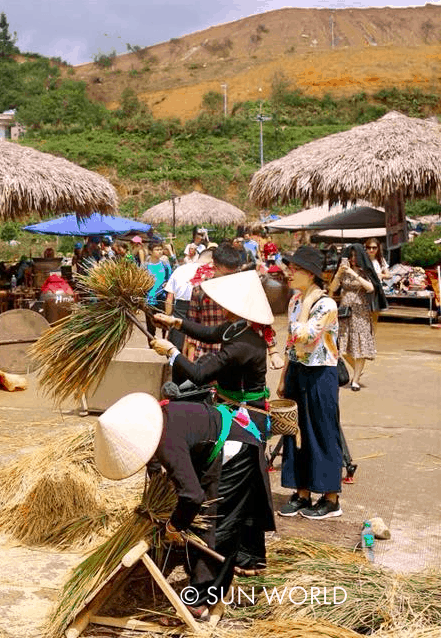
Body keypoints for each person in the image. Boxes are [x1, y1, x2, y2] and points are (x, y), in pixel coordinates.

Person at [150, 270, 277, 575]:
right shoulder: (237, 329)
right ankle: (242, 557)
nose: (221, 306)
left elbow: (199, 375)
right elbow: (208, 334)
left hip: (247, 416)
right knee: (240, 489)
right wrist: (175, 323)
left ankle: (241, 559)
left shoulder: (245, 343)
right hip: (229, 410)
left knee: (239, 489)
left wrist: (172, 353)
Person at [94, 393, 251, 619]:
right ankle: (195, 572)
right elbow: (155, 464)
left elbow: (193, 496)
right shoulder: (155, 422)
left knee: (212, 524)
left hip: (235, 450)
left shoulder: (168, 442)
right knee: (198, 516)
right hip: (213, 443)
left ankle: (201, 598)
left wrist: (174, 526)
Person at [277, 246, 343, 520]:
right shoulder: (295, 301)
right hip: (297, 371)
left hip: (321, 373)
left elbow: (305, 337)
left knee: (322, 430)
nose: (289, 273)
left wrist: (305, 307)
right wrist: (283, 376)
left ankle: (330, 498)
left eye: (295, 269)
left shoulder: (326, 305)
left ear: (310, 274)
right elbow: (292, 345)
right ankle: (301, 492)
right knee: (296, 431)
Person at [328, 243, 387, 391]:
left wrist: (353, 273)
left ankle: (355, 380)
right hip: (344, 310)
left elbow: (371, 287)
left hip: (361, 311)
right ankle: (357, 369)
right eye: (351, 255)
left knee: (359, 345)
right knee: (342, 346)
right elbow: (333, 288)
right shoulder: (343, 271)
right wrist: (339, 273)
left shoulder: (365, 271)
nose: (353, 259)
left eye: (355, 256)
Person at [162, 251, 209, 351]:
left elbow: (169, 298)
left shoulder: (180, 269)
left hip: (179, 310)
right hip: (201, 310)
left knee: (175, 347)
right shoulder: (210, 271)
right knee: (195, 348)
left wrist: (168, 320)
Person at [142, 240, 172, 337]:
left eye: (160, 249)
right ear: (150, 251)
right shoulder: (144, 266)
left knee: (163, 322)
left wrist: (167, 283)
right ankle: (151, 343)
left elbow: (170, 279)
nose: (159, 251)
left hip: (162, 298)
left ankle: (163, 339)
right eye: (157, 249)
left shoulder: (165, 265)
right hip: (149, 299)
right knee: (150, 324)